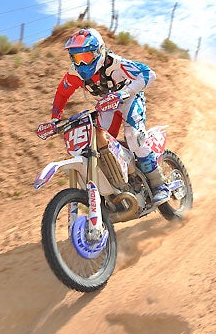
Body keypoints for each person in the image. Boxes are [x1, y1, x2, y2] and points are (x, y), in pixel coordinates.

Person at [51, 27, 170, 206]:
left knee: (133, 137)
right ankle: (122, 181)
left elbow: (148, 74)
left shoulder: (116, 64)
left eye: (86, 57)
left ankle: (159, 185)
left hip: (130, 99)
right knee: (101, 142)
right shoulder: (75, 73)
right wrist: (55, 118)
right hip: (107, 105)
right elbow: (62, 93)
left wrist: (124, 92)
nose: (82, 64)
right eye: (77, 58)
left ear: (99, 52)